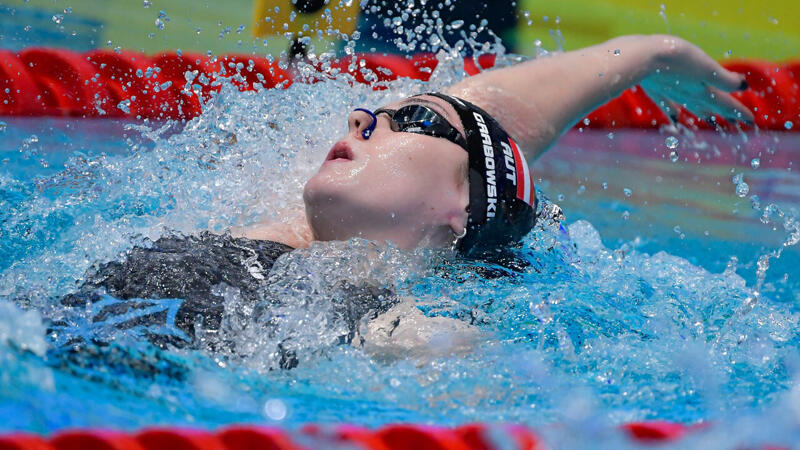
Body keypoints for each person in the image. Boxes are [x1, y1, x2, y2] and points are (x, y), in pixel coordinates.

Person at [50, 35, 753, 368]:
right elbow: (489, 115)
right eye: (372, 112)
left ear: (459, 211)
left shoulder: (382, 318)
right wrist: (657, 53)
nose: (362, 119)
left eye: (407, 121)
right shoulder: (275, 220)